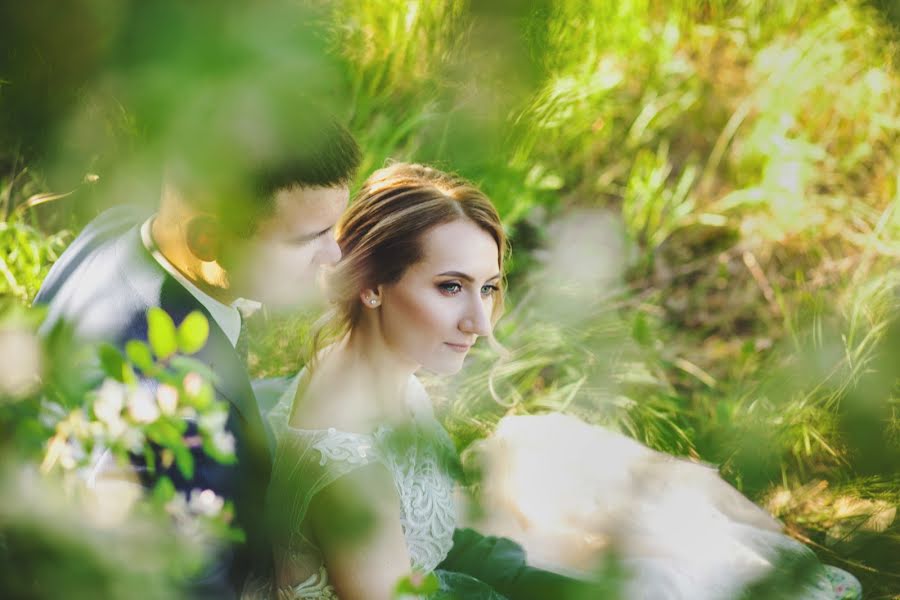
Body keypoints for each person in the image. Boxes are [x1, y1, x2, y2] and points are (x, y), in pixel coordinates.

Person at [262, 162, 861, 600]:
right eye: (450, 287)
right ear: (371, 285)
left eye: (488, 287)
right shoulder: (353, 473)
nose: (478, 321)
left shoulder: (363, 366)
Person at [33, 106, 361, 599]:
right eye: (309, 237)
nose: (333, 254)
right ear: (209, 240)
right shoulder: (186, 420)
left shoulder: (117, 231)